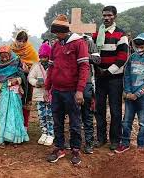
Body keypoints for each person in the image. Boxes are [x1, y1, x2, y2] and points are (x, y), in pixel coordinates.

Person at [45, 14, 90, 165]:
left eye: (58, 32)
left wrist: (80, 90)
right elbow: (51, 68)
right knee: (57, 121)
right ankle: (59, 148)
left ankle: (75, 149)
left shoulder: (79, 43)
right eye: (55, 32)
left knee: (75, 122)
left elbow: (84, 67)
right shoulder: (56, 45)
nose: (56, 35)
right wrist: (47, 88)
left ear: (64, 30)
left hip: (72, 91)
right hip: (56, 91)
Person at [114, 33, 144, 153]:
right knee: (126, 121)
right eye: (137, 44)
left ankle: (141, 144)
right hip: (130, 96)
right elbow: (127, 75)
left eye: (142, 44)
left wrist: (137, 94)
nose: (139, 47)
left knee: (143, 123)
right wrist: (128, 91)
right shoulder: (132, 57)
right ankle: (125, 143)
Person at [92, 6, 129, 150]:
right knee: (99, 109)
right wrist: (97, 69)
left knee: (115, 109)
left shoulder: (121, 34)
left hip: (115, 78)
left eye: (109, 15)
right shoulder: (97, 34)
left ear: (115, 16)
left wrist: (108, 71)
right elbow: (94, 54)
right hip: (100, 77)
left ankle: (115, 139)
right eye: (104, 15)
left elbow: (123, 57)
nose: (106, 18)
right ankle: (101, 138)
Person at [0, 46, 29, 148]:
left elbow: (23, 76)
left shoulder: (16, 61)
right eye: (2, 57)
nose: (4, 59)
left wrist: (17, 80)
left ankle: (16, 138)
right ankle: (2, 138)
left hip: (14, 91)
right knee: (3, 114)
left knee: (16, 113)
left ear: (10, 55)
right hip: (1, 92)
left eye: (6, 57)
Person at [11, 30, 39, 130]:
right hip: (14, 80)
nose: (20, 44)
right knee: (14, 101)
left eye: (23, 41)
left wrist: (28, 70)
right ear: (16, 40)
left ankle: (25, 125)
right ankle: (14, 124)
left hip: (27, 81)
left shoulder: (31, 50)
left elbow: (36, 66)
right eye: (19, 41)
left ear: (26, 41)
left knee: (26, 102)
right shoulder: (11, 49)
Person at [28, 43, 54, 146]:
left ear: (49, 56)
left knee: (50, 115)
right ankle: (44, 132)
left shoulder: (53, 65)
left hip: (51, 95)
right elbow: (30, 77)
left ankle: (51, 134)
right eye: (41, 57)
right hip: (39, 95)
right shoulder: (36, 66)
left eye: (45, 57)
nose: (43, 59)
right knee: (42, 115)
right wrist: (36, 83)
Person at [81, 34, 101, 154]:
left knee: (87, 114)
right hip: (71, 84)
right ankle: (75, 141)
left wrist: (83, 56)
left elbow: (97, 60)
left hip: (86, 83)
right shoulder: (65, 43)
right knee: (73, 115)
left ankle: (89, 142)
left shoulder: (88, 42)